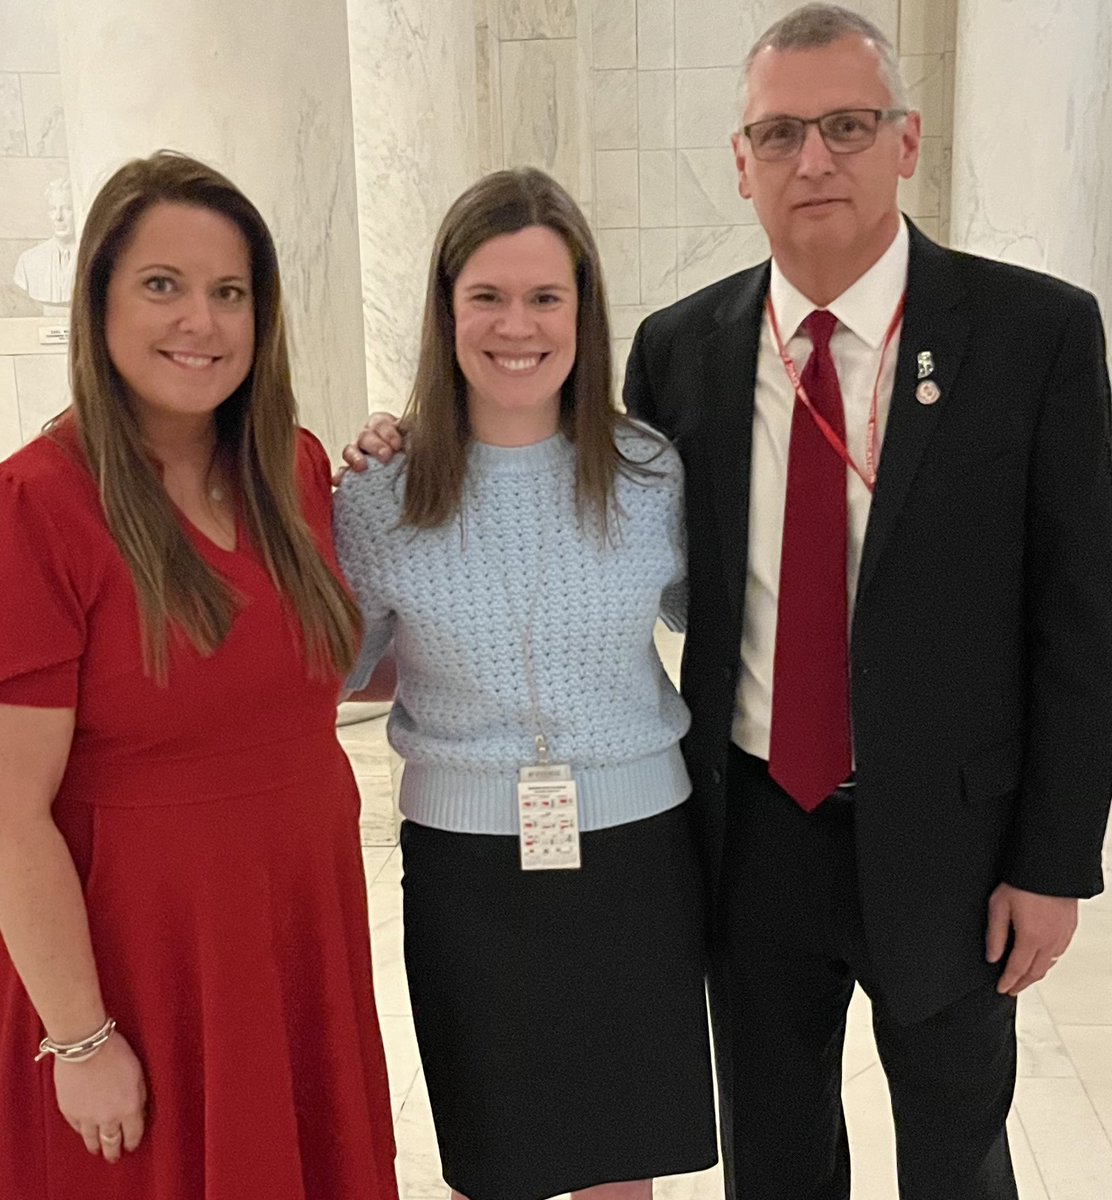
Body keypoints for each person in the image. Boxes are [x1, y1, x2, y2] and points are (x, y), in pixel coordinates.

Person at [349, 7, 1112, 1200]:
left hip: (954, 838)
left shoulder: (1034, 337)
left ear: (904, 142)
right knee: (772, 1146)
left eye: (847, 126)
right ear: (739, 160)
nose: (814, 159)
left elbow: (1080, 619)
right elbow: (575, 493)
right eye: (778, 132)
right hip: (749, 829)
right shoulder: (680, 351)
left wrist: (1055, 860)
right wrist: (407, 451)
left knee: (957, 1153)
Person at [0, 151, 399, 1200]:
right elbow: (8, 816)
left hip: (295, 940)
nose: (202, 322)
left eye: (230, 293)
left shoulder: (294, 471)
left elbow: (328, 671)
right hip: (142, 967)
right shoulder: (39, 506)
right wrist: (81, 1041)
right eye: (161, 286)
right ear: (98, 304)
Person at [332, 166, 717, 1200]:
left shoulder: (647, 473)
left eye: (545, 297)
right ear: (445, 311)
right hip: (466, 869)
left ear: (582, 313)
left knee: (617, 1167)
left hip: (637, 859)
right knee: (496, 1164)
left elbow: (703, 613)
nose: (518, 326)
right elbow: (342, 667)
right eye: (487, 298)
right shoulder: (379, 492)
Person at [13, 176, 77, 311]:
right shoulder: (28, 261)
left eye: (67, 208)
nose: (58, 217)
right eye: (53, 209)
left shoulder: (95, 259)